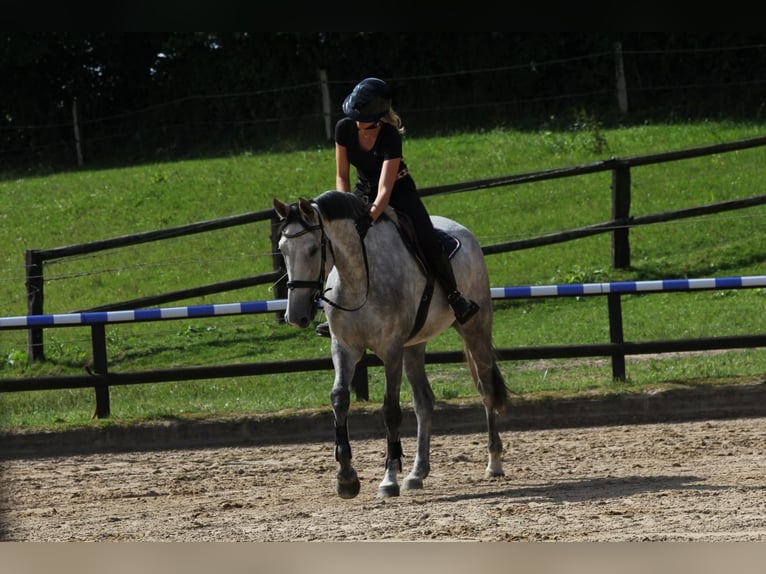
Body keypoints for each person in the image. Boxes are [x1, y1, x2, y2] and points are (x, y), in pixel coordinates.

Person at [316, 77, 479, 337]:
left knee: (426, 237)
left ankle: (455, 296)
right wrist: (343, 206)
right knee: (340, 240)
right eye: (353, 116)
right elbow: (342, 176)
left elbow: (385, 190)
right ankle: (335, 309)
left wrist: (370, 218)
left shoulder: (390, 136)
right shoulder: (343, 129)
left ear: (378, 117)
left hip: (399, 192)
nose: (356, 122)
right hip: (362, 191)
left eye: (362, 117)